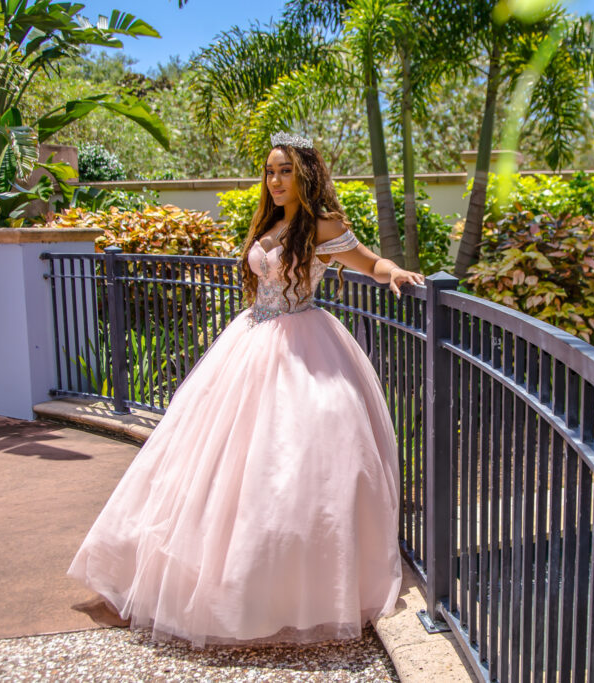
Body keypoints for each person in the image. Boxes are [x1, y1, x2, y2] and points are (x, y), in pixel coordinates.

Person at [67, 131, 426, 649]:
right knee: (215, 463)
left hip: (303, 346)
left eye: (284, 171)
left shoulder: (323, 225)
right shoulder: (271, 221)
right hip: (251, 340)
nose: (275, 180)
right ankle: (193, 581)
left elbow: (370, 263)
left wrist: (396, 273)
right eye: (269, 171)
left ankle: (283, 593)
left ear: (305, 175)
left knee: (288, 472)